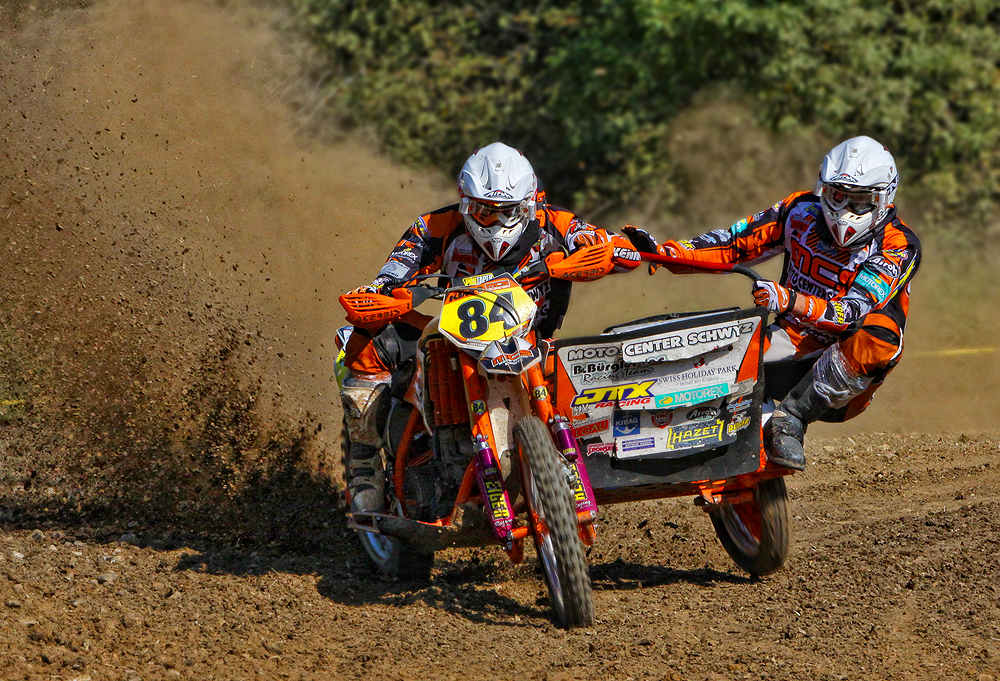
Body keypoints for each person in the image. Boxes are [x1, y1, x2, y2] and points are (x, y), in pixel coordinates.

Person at [340, 142, 648, 511]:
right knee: (362, 344)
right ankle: (363, 467)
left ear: (529, 205)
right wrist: (382, 293)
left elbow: (604, 244)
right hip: (456, 344)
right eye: (483, 211)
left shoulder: (556, 223)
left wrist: (606, 250)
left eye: (507, 212)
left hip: (532, 341)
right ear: (466, 203)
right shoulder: (435, 227)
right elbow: (394, 271)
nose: (495, 222)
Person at [653, 135, 920, 470]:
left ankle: (791, 418)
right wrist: (667, 254)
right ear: (824, 189)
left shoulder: (897, 244)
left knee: (881, 334)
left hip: (842, 383)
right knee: (713, 351)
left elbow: (850, 314)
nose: (846, 210)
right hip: (790, 343)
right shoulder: (800, 211)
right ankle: (673, 435)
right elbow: (734, 244)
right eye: (838, 196)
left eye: (860, 201)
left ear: (883, 199)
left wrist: (789, 300)